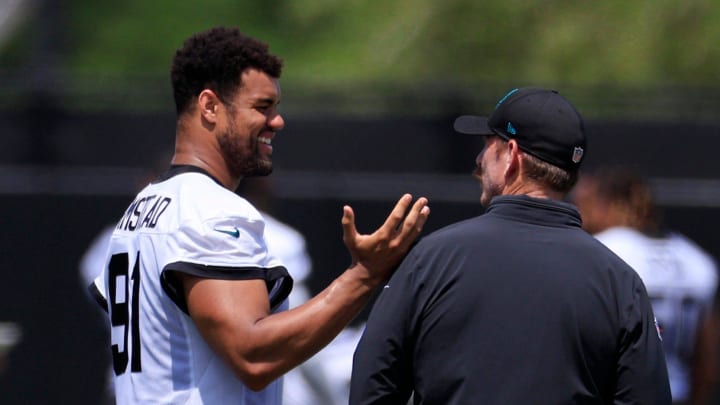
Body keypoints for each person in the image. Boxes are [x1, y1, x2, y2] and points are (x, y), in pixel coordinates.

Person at [87, 26, 430, 404]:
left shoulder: (142, 208)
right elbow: (253, 356)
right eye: (262, 107)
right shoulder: (210, 210)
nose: (277, 121)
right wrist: (364, 276)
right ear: (210, 106)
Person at [349, 87, 671, 404]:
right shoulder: (620, 283)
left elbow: (372, 388)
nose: (478, 159)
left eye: (487, 146)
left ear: (512, 156)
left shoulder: (430, 261)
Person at [573, 166, 720, 405]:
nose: (580, 213)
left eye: (586, 203)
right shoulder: (697, 260)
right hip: (677, 394)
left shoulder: (601, 254)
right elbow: (706, 365)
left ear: (607, 204)